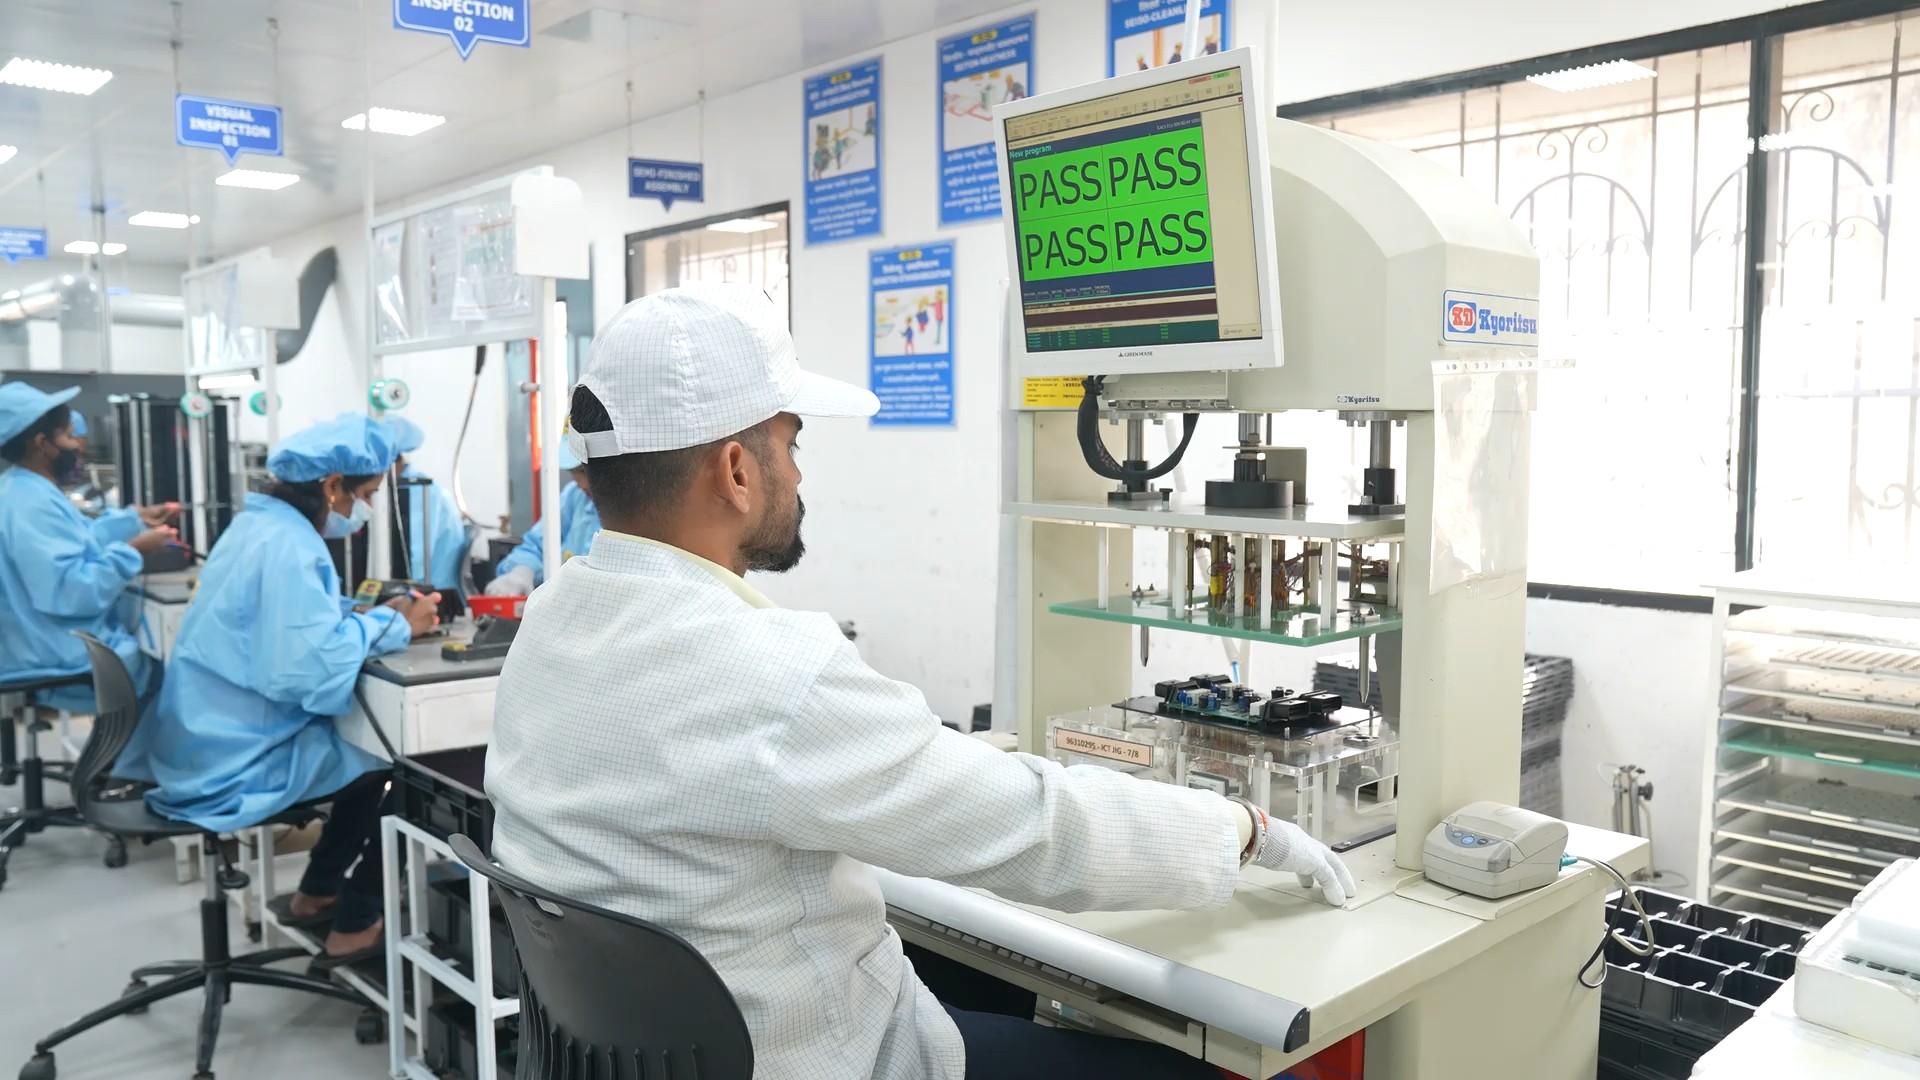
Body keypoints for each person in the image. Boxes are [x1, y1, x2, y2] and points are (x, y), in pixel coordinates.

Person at [486, 284, 1353, 1080]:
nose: (799, 473)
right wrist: (1244, 830)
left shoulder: (550, 624)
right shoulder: (771, 674)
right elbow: (1038, 830)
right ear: (736, 472)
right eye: (792, 443)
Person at [124, 414, 441, 962]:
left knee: (370, 758)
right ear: (332, 486)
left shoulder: (258, 526)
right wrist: (394, 624)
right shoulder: (292, 546)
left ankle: (317, 892)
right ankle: (357, 919)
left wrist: (360, 615)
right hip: (238, 764)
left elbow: (290, 621)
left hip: (205, 740)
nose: (365, 510)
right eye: (366, 495)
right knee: (409, 769)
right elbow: (310, 673)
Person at [0, 383, 177, 713]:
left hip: (32, 643)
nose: (77, 447)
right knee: (172, 672)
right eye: (69, 436)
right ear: (42, 444)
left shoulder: (21, 488)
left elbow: (79, 539)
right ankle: (144, 748)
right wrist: (133, 551)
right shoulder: (33, 504)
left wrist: (133, 519)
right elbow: (71, 592)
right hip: (57, 654)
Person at [483, 439, 600, 596]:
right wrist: (522, 570)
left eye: (584, 471)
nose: (582, 484)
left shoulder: (629, 509)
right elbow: (536, 545)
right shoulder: (575, 496)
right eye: (574, 472)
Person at [383, 415, 471, 593]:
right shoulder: (407, 487)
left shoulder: (419, 492)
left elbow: (414, 564)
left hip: (435, 594)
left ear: (394, 461)